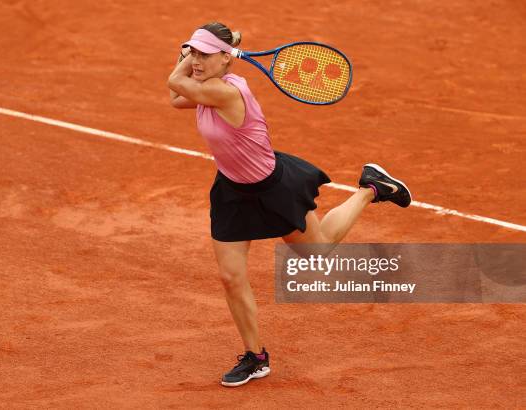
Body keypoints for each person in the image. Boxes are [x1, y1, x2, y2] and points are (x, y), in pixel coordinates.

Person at [167, 22, 412, 387]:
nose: (195, 59)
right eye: (192, 51)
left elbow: (175, 84)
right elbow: (176, 99)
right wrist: (203, 56)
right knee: (230, 277)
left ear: (226, 59)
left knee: (318, 251)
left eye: (204, 53)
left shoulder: (226, 92)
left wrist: (188, 61)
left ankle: (371, 188)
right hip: (232, 192)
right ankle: (255, 357)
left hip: (272, 189)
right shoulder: (207, 87)